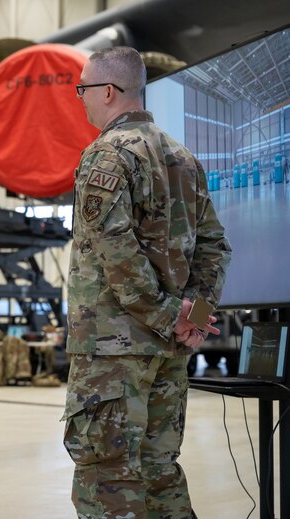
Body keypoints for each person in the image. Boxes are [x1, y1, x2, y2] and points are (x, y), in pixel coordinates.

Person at [62, 47, 231, 519]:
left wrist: (161, 315)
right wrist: (189, 320)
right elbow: (215, 248)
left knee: (107, 476)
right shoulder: (185, 159)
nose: (81, 99)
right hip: (168, 351)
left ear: (109, 92)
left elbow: (115, 249)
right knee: (159, 470)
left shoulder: (106, 153)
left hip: (113, 350)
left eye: (83, 89)